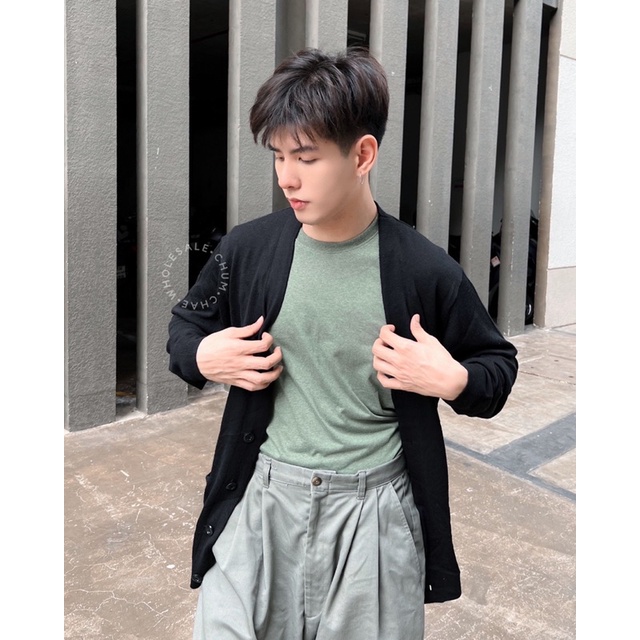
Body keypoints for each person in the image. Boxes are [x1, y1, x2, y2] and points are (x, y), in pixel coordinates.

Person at [167, 47, 518, 640]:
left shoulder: (424, 270)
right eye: (278, 156)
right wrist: (202, 355)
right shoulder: (248, 250)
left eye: (306, 157)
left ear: (362, 155)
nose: (287, 177)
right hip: (262, 499)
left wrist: (453, 379)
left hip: (373, 515)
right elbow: (186, 325)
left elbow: (497, 366)